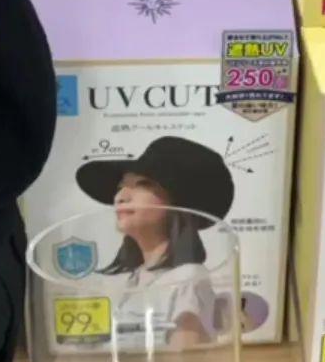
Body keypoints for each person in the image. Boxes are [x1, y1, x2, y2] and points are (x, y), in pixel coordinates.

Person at [75, 136, 235, 349]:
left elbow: (185, 360)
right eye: (121, 186)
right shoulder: (134, 277)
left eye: (143, 184)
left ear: (177, 204)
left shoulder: (188, 278)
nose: (120, 196)